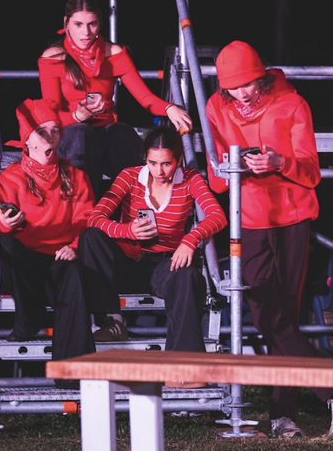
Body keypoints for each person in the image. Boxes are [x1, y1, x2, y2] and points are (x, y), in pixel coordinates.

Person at [205, 40, 333, 438]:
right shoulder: (215, 108)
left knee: (284, 318)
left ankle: (282, 415)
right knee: (265, 315)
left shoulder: (293, 104)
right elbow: (216, 179)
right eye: (233, 87)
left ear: (261, 76)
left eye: (248, 84)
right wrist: (237, 165)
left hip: (293, 217)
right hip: (248, 219)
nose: (242, 93)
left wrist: (279, 162)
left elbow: (312, 172)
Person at [78, 126, 227, 352]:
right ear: (145, 159)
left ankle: (182, 361)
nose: (159, 171)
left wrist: (190, 239)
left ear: (178, 160)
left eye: (166, 164)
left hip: (164, 266)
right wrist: (127, 230)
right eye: (153, 163)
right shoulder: (129, 176)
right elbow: (94, 219)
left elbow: (218, 216)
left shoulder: (190, 178)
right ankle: (112, 320)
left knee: (189, 276)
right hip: (127, 263)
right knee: (91, 237)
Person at [38, 0, 193, 199]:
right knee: (81, 134)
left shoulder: (115, 54)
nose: (86, 32)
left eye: (92, 24)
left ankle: (140, 207)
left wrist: (169, 108)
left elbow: (145, 98)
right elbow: (50, 117)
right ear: (66, 23)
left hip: (104, 134)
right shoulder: (53, 58)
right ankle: (84, 209)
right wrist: (77, 116)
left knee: (122, 132)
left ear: (100, 23)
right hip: (70, 135)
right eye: (78, 24)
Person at [0, 98, 96, 363]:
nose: (50, 137)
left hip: (60, 258)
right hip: (25, 266)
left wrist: (74, 247)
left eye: (55, 130)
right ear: (27, 140)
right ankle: (28, 319)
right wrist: (2, 224)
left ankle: (72, 371)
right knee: (4, 242)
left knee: (75, 272)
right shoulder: (7, 179)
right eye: (41, 131)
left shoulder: (76, 176)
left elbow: (86, 218)